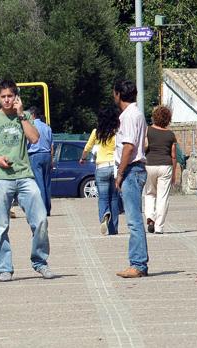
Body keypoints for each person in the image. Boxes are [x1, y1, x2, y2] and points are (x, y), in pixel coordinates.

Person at [0, 79, 54, 282]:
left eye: (10, 96)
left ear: (16, 97)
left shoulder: (23, 117)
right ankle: (4, 268)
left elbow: (35, 139)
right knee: (1, 225)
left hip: (25, 176)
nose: (7, 100)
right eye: (3, 97)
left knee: (41, 219)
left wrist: (21, 115)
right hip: (0, 178)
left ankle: (40, 262)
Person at [113, 80, 149, 278]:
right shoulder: (137, 114)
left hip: (131, 170)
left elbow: (128, 147)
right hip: (136, 169)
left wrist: (120, 172)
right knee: (134, 218)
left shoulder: (128, 116)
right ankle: (138, 262)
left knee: (133, 219)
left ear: (118, 94)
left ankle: (138, 263)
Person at [80, 106, 121, 236]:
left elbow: (87, 147)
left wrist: (82, 158)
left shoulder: (96, 132)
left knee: (103, 197)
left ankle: (104, 214)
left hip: (101, 167)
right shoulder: (117, 132)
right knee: (114, 197)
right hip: (114, 167)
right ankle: (113, 228)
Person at [144, 106, 177, 234]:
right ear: (168, 119)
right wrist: (174, 172)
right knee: (163, 197)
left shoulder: (147, 130)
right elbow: (173, 155)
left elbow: (144, 147)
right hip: (165, 166)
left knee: (149, 193)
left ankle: (150, 217)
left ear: (154, 117)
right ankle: (159, 227)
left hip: (149, 164)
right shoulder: (170, 134)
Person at [27, 106, 53, 216]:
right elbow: (52, 145)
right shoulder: (47, 127)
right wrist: (51, 160)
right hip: (47, 155)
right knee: (47, 183)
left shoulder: (30, 127)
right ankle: (47, 208)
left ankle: (41, 209)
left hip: (35, 155)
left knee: (39, 183)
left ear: (32, 115)